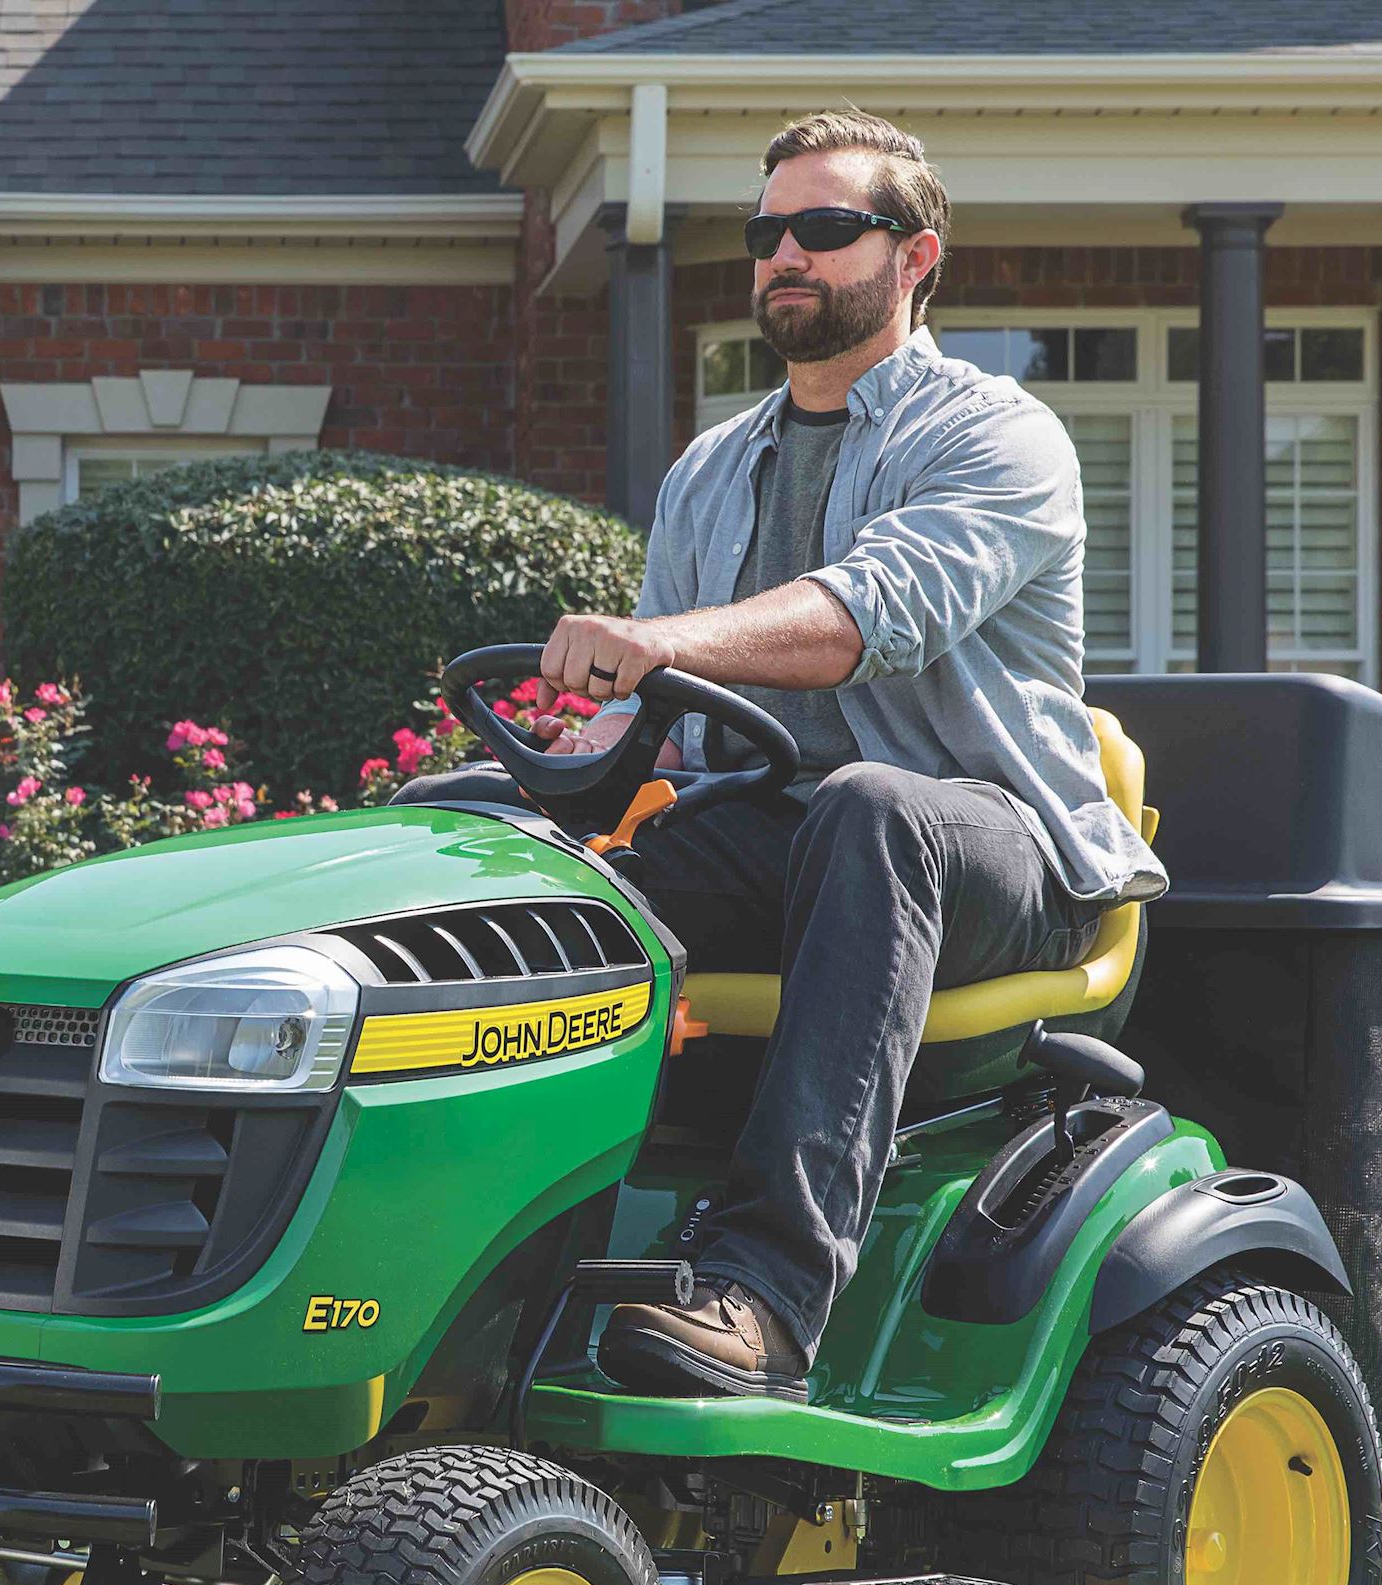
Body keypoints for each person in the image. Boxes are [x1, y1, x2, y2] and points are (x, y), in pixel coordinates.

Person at [397, 110, 1165, 1401]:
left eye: (823, 228)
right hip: (768, 828)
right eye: (766, 234)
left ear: (916, 257)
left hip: (997, 854)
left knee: (875, 808)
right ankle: (448, 1252)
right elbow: (668, 714)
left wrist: (653, 641)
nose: (784, 257)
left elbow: (876, 614)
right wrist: (551, 780)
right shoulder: (712, 468)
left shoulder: (997, 436)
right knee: (473, 833)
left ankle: (765, 1295)